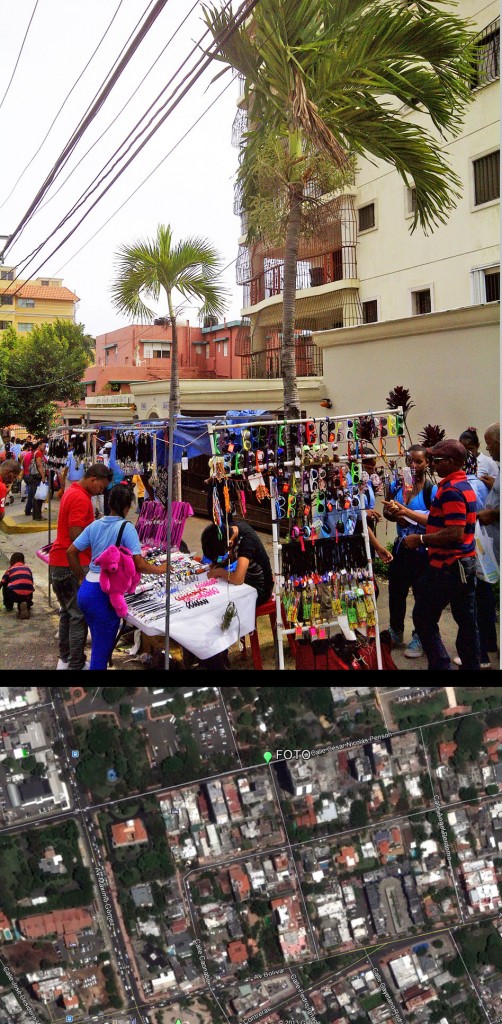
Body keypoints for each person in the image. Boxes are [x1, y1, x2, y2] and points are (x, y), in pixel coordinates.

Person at [66, 483, 167, 671]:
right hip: (103, 595)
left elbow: (71, 551)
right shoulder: (126, 528)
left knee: (98, 643)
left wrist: (81, 579)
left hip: (87, 590)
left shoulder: (95, 524)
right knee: (100, 655)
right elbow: (139, 564)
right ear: (127, 506)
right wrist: (161, 569)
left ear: (110, 502)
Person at [402, 439, 479, 671]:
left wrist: (420, 539)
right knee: (467, 623)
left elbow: (454, 533)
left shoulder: (452, 490)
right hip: (463, 565)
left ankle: (440, 665)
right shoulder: (462, 485)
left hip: (449, 567)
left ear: (452, 462)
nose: (433, 464)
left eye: (437, 460)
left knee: (423, 617)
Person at [49, 463, 113, 671]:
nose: (101, 492)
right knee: (78, 615)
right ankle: (75, 664)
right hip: (71, 564)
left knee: (68, 613)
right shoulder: (80, 498)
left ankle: (65, 659)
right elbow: (77, 536)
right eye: (101, 487)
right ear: (94, 479)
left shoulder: (73, 492)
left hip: (59, 562)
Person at [382, 444, 437, 658]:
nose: (413, 465)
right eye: (410, 461)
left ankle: (420, 636)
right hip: (402, 547)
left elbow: (435, 520)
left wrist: (407, 512)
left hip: (423, 550)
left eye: (418, 461)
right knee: (396, 592)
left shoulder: (431, 490)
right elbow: (388, 512)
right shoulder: (398, 484)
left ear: (427, 463)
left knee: (422, 596)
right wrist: (392, 513)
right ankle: (396, 632)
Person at [201, 520, 274, 607]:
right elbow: (232, 555)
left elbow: (238, 579)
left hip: (260, 588)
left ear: (230, 543)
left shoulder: (247, 542)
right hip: (248, 578)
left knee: (224, 604)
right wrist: (218, 564)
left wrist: (219, 572)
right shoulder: (230, 530)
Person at [1, 552, 34, 619]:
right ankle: (27, 604)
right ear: (23, 561)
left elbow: (2, 582)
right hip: (28, 595)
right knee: (27, 585)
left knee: (5, 585)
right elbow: (31, 582)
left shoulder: (10, 569)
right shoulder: (28, 569)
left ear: (11, 561)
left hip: (15, 595)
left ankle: (9, 606)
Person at [27, 437, 48, 521]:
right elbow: (39, 465)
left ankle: (36, 515)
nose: (45, 447)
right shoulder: (38, 453)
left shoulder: (37, 452)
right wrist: (43, 476)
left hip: (35, 477)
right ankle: (37, 516)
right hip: (38, 477)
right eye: (44, 446)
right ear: (39, 445)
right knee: (38, 496)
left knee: (36, 496)